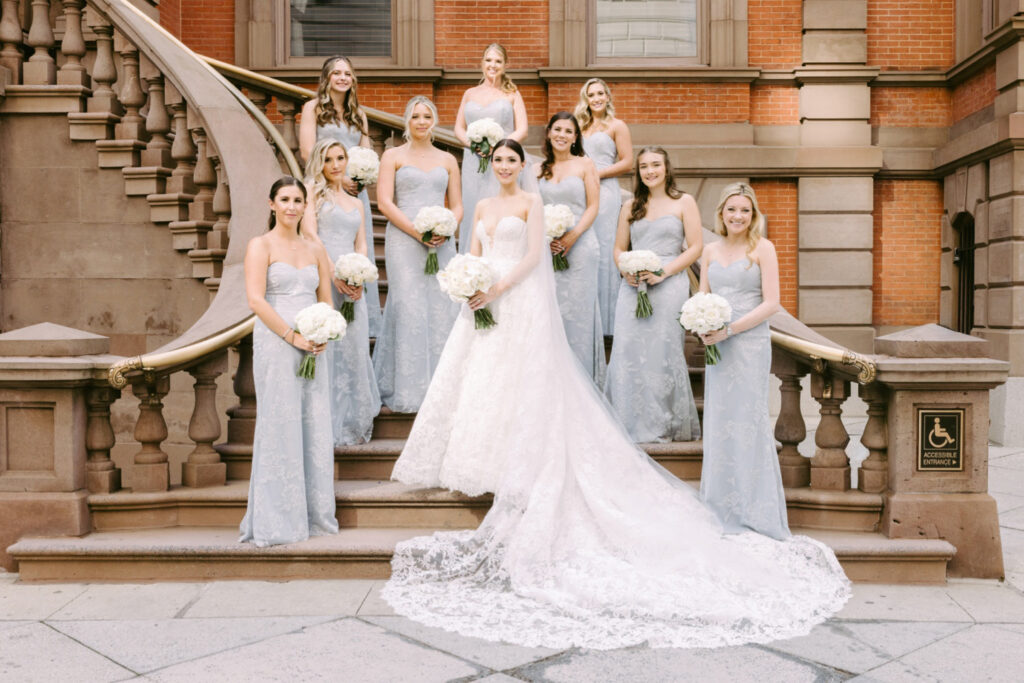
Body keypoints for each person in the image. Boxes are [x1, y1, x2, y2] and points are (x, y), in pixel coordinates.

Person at [384, 141, 850, 649]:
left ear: (524, 166)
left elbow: (534, 256)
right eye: (497, 160)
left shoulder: (533, 204)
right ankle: (479, 460)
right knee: (481, 383)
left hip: (513, 296)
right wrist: (466, 283)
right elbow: (474, 253)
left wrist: (495, 288)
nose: (503, 166)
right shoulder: (485, 206)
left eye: (512, 159)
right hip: (481, 303)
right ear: (491, 166)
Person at [239, 177, 339, 547]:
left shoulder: (314, 247)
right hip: (277, 337)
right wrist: (292, 336)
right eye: (285, 199)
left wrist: (324, 331)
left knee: (313, 421)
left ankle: (314, 513)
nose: (292, 206)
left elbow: (325, 298)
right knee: (280, 420)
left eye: (298, 200)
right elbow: (256, 300)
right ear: (271, 204)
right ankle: (278, 517)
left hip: (314, 340)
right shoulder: (260, 245)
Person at [698, 182, 790, 540]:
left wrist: (731, 329)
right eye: (732, 209)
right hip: (717, 346)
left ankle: (754, 508)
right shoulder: (708, 251)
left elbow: (771, 303)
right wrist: (701, 322)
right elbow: (703, 295)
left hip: (748, 343)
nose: (738, 216)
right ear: (721, 213)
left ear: (753, 216)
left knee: (748, 419)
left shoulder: (762, 249)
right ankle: (720, 505)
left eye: (745, 211)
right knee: (720, 419)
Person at [605, 147, 702, 442]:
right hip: (633, 287)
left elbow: (696, 247)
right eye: (644, 166)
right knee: (628, 350)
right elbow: (619, 249)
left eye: (655, 165)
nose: (650, 171)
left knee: (662, 352)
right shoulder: (630, 206)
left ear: (666, 168)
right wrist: (626, 271)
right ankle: (625, 421)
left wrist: (664, 272)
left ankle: (663, 421)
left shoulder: (684, 202)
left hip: (669, 284)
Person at [372, 96, 462, 413]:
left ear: (433, 121)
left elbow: (458, 204)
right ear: (406, 121)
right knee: (408, 308)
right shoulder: (392, 156)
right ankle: (408, 388)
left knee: (441, 309)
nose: (421, 121)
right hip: (404, 241)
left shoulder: (448, 159)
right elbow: (384, 202)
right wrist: (417, 232)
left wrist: (447, 229)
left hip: (442, 242)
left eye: (427, 116)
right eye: (415, 116)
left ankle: (442, 387)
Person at [302, 139, 381, 445]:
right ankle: (324, 422)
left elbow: (361, 242)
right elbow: (311, 234)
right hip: (324, 277)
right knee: (329, 346)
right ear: (319, 163)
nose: (335, 165)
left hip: (351, 282)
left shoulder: (357, 202)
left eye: (340, 158)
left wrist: (357, 273)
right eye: (328, 159)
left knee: (353, 346)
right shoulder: (311, 193)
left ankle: (351, 419)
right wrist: (334, 273)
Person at [299, 55, 382, 337]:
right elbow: (307, 150)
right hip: (323, 186)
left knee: (356, 249)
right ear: (327, 78)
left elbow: (366, 151)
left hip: (352, 193)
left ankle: (354, 308)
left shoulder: (359, 115)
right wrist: (337, 176)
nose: (343, 78)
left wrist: (359, 176)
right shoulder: (312, 108)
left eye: (348, 73)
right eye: (337, 73)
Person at [535, 112, 605, 384]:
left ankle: (582, 381)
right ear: (549, 132)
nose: (562, 135)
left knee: (579, 313)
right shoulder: (537, 169)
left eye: (568, 131)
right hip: (548, 249)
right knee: (552, 312)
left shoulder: (585, 164)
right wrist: (545, 238)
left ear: (575, 138)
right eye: (557, 129)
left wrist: (573, 235)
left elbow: (593, 206)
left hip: (582, 245)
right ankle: (554, 380)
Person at [453, 43, 528, 253]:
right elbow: (459, 128)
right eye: (488, 60)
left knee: (500, 211)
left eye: (498, 61)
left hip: (502, 162)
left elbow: (522, 129)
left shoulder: (512, 93)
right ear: (482, 63)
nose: (492, 65)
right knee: (472, 210)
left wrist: (499, 149)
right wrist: (474, 145)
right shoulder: (469, 94)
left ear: (504, 66)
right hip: (473, 162)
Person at [577, 78, 633, 336]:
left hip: (606, 191)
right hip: (580, 191)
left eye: (601, 93)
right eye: (592, 95)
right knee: (584, 246)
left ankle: (607, 323)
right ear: (586, 99)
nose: (597, 98)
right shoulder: (579, 126)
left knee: (603, 246)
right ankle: (584, 316)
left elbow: (628, 162)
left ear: (608, 97)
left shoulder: (617, 126)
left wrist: (597, 174)